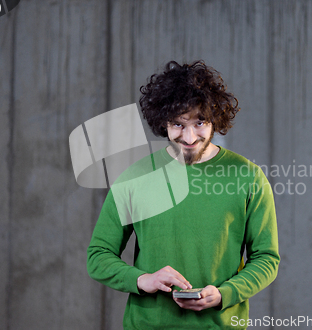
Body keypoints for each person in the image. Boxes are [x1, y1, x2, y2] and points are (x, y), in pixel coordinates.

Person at [87, 60, 279, 329]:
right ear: (162, 122)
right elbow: (98, 255)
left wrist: (225, 293)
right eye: (178, 125)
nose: (189, 137)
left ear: (216, 119)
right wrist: (144, 280)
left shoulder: (248, 176)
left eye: (200, 122)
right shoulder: (135, 177)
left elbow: (266, 258)